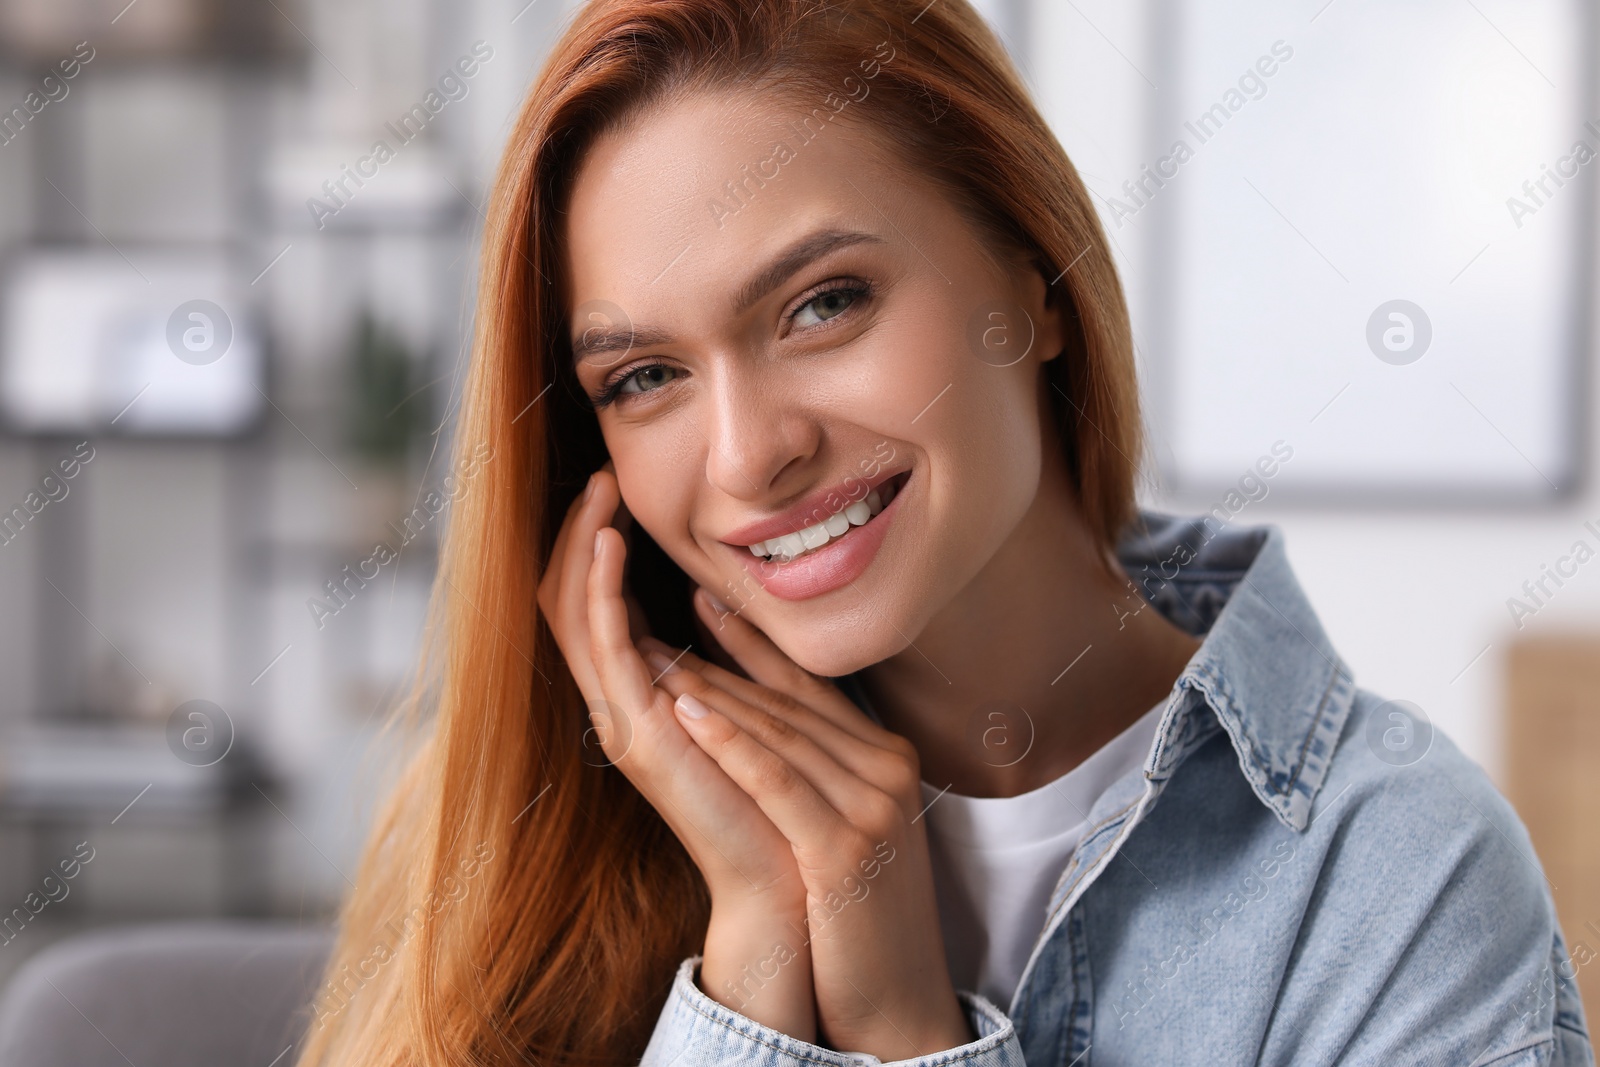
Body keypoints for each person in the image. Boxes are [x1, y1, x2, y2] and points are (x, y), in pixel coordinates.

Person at [295, 1, 1596, 1064]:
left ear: (1034, 290)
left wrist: (910, 1036)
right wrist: (757, 951)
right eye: (643, 378)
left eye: (823, 304)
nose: (751, 454)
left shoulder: (1397, 883)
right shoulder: (529, 843)